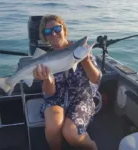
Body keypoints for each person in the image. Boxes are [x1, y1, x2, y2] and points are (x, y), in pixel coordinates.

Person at [33, 14, 102, 150]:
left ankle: (92, 147)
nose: (53, 33)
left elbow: (96, 79)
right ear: (45, 36)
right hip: (56, 99)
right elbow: (50, 92)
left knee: (71, 134)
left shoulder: (79, 48)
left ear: (64, 29)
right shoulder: (46, 59)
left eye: (57, 29)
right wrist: (47, 78)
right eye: (48, 32)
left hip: (80, 98)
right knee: (53, 128)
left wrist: (86, 60)